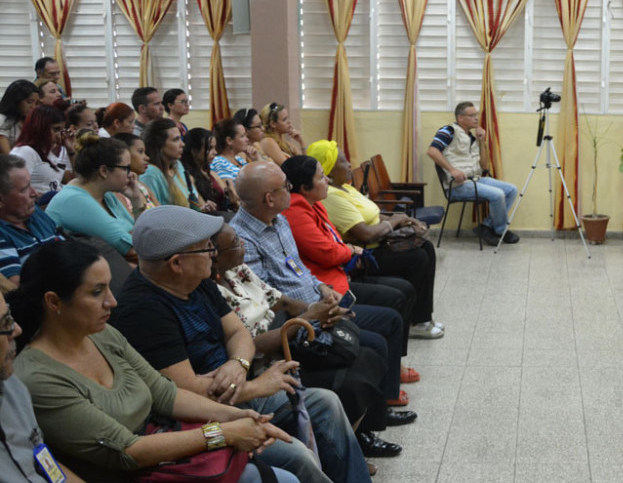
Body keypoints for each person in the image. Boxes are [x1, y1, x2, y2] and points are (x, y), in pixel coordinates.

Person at [110, 206, 372, 483]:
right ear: (176, 263)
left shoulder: (195, 281)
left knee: (327, 404)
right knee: (297, 456)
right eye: (206, 247)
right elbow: (184, 392)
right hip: (200, 417)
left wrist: (238, 364)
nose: (213, 253)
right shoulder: (144, 312)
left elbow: (238, 333)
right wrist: (256, 387)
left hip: (236, 389)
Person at [11, 240, 298, 483]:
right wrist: (224, 433)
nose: (112, 301)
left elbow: (164, 393)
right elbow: (127, 451)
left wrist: (234, 417)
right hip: (142, 470)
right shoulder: (38, 378)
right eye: (97, 292)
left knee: (292, 459)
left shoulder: (103, 334)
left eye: (109, 288)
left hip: (174, 451)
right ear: (54, 302)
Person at [210, 223, 405, 458]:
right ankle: (341, 449)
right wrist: (306, 318)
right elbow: (252, 346)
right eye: (235, 244)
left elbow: (280, 300)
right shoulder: (211, 293)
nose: (242, 244)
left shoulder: (238, 271)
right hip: (266, 363)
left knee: (368, 355)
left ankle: (357, 437)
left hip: (289, 337)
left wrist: (316, 308)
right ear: (214, 255)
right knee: (353, 382)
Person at [232, 161, 414, 408]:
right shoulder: (242, 240)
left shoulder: (278, 220)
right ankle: (379, 407)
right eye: (285, 186)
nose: (290, 189)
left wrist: (323, 289)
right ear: (269, 199)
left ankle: (384, 399)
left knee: (389, 319)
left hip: (318, 303)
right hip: (296, 321)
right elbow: (268, 299)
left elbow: (300, 269)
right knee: (374, 344)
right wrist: (312, 311)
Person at [310, 139, 444, 340]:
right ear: (329, 170)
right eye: (343, 161)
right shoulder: (332, 196)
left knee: (426, 248)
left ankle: (422, 318)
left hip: (380, 241)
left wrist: (402, 219)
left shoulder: (346, 188)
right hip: (366, 252)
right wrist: (394, 222)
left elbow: (373, 214)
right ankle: (416, 321)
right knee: (418, 258)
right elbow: (365, 233)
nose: (349, 165)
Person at [0, 294, 85, 482]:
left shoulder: (13, 388)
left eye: (10, 318)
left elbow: (45, 463)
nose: (17, 330)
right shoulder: (29, 376)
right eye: (4, 324)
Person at [427, 101, 519, 245]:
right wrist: (452, 170)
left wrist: (482, 142)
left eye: (476, 115)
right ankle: (500, 230)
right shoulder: (448, 131)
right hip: (457, 185)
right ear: (460, 118)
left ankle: (486, 226)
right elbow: (432, 151)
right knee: (498, 194)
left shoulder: (472, 137)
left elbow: (483, 165)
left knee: (511, 190)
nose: (476, 118)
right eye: (472, 115)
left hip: (475, 179)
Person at [45, 132, 142, 260]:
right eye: (126, 168)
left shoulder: (106, 193)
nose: (130, 174)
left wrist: (136, 200)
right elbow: (131, 248)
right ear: (104, 171)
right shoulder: (74, 200)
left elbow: (140, 235)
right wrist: (132, 236)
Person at [0, 155, 64, 286]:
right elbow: (16, 287)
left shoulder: (34, 213)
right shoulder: (3, 233)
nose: (34, 193)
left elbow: (68, 249)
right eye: (25, 189)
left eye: (31, 184)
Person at [139, 118, 202, 209]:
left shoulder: (178, 165)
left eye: (180, 139)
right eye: (176, 140)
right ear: (159, 145)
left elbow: (192, 200)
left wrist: (203, 207)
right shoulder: (151, 174)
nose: (182, 144)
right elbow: (152, 213)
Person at [10, 106, 72, 194]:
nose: (60, 136)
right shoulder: (25, 152)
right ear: (40, 127)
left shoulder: (49, 152)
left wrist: (71, 150)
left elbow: (73, 180)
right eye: (56, 129)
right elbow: (16, 188)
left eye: (62, 131)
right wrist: (48, 198)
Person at [182, 127, 230, 212]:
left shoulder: (210, 172)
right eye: (209, 148)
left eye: (215, 148)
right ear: (194, 150)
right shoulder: (188, 176)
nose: (215, 152)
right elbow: (199, 206)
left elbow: (227, 194)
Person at [116, 132, 159, 215]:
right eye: (140, 152)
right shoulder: (117, 193)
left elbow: (161, 212)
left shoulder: (143, 187)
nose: (147, 158)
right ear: (125, 154)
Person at [0, 80, 41, 154]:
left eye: (37, 103)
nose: (33, 107)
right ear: (16, 100)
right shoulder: (2, 119)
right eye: (29, 102)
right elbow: (7, 155)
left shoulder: (30, 120)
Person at [212, 117, 249, 183]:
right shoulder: (219, 162)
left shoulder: (239, 160)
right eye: (242, 136)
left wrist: (257, 158)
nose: (247, 139)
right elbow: (230, 187)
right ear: (229, 140)